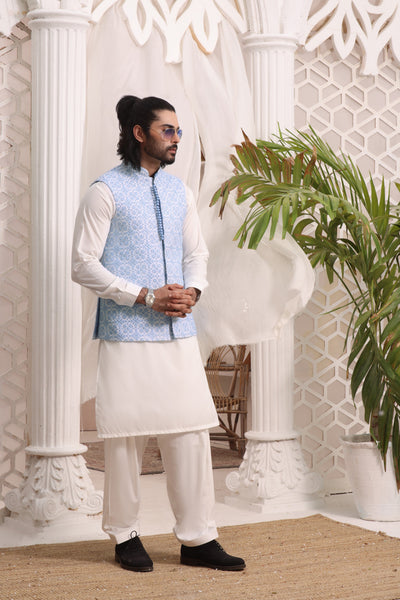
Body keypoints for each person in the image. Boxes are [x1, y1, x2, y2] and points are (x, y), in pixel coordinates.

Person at [72, 95, 245, 573]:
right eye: (167, 130)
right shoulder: (104, 191)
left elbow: (197, 254)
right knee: (126, 435)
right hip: (127, 328)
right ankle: (125, 535)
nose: (176, 139)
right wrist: (145, 296)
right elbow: (82, 264)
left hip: (178, 329)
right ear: (139, 133)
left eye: (178, 131)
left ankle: (199, 538)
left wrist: (193, 290)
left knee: (189, 430)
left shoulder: (179, 192)